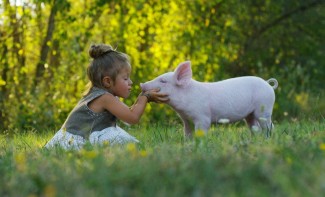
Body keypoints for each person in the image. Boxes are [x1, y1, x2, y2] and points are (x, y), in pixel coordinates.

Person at [45, 43, 169, 150]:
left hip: (85, 135)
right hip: (75, 142)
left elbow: (128, 113)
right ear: (107, 82)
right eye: (126, 78)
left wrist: (142, 97)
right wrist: (144, 97)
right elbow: (132, 118)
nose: (130, 82)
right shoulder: (104, 98)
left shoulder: (101, 95)